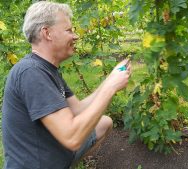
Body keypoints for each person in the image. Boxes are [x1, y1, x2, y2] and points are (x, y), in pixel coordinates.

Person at [2, 1, 131, 168]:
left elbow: (77, 109)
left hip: (52, 154)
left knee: (104, 123)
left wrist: (110, 80)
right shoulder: (31, 72)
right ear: (47, 33)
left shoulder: (47, 69)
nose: (75, 36)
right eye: (69, 30)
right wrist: (110, 88)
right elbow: (72, 138)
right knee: (76, 136)